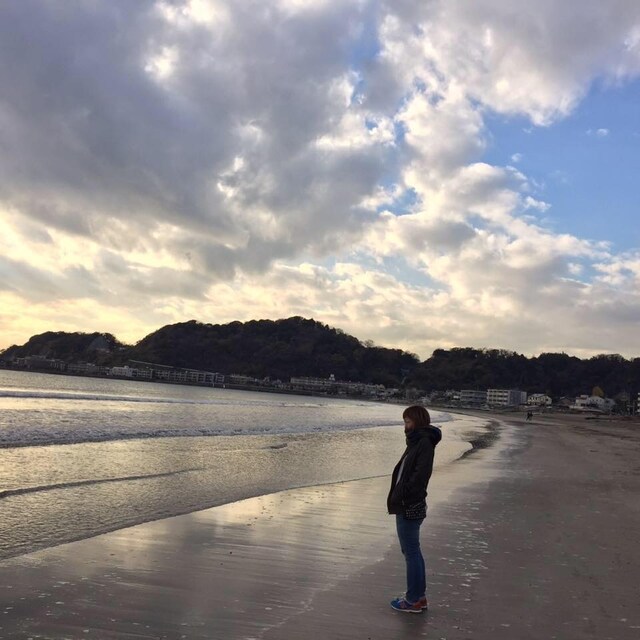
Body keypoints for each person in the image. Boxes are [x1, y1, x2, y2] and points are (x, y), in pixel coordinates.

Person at [387, 405, 441, 613]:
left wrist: (403, 496)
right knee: (412, 551)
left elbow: (420, 476)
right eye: (404, 422)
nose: (405, 426)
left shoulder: (423, 443)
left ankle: (413, 600)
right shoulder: (417, 441)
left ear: (417, 421)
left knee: (411, 552)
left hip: (409, 504)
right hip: (409, 502)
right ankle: (419, 597)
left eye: (408, 422)